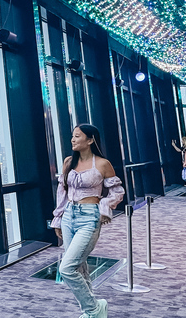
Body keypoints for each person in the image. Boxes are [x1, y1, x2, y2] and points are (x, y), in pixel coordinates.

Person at [52, 124, 125, 318]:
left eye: (77, 136)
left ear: (90, 140)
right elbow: (62, 192)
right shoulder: (68, 162)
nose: (73, 140)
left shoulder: (102, 164)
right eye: (72, 136)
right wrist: (58, 218)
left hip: (89, 217)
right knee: (79, 266)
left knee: (66, 267)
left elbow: (117, 191)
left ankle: (94, 307)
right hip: (69, 215)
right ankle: (91, 312)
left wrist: (105, 208)